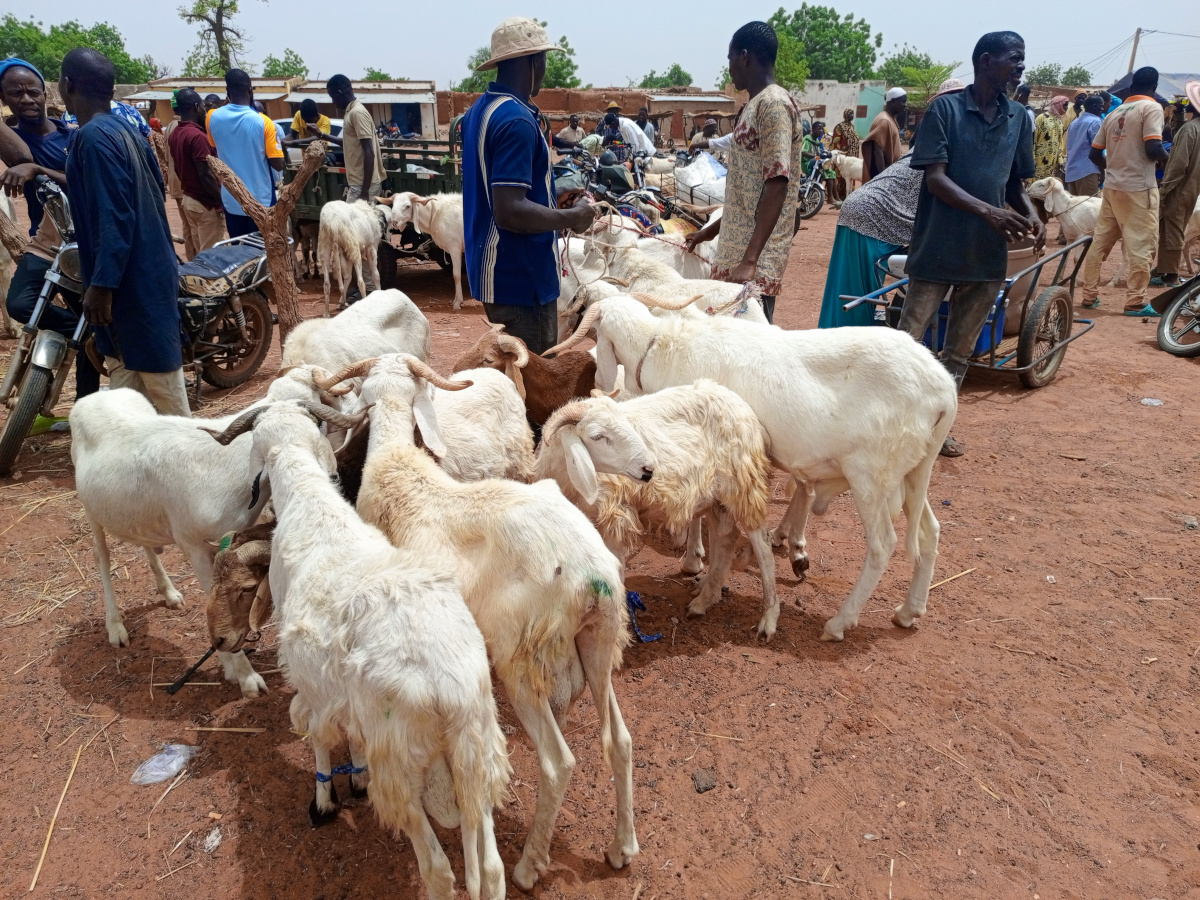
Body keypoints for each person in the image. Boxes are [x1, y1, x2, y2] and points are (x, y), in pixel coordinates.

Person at [900, 30, 1042, 457]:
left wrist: (1031, 214)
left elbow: (1014, 183)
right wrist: (990, 212)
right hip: (938, 245)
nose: (1020, 66)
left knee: (959, 351)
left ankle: (937, 429)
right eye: (1013, 58)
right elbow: (936, 179)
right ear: (985, 60)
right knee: (906, 343)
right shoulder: (945, 110)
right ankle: (892, 424)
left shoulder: (1019, 117)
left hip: (986, 253)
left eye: (1022, 58)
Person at [59, 47, 189, 416]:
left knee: (169, 403)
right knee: (126, 401)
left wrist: (101, 286)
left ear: (67, 85)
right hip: (146, 278)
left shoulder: (92, 139)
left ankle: (198, 453)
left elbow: (114, 217)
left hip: (133, 289)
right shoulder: (128, 132)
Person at [461, 17, 597, 354]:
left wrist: (553, 199)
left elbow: (499, 190)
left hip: (495, 273)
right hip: (521, 278)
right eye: (544, 59)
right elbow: (509, 210)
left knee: (514, 373)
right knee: (534, 377)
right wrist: (573, 217)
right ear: (534, 61)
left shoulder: (481, 109)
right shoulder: (517, 120)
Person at [819, 78, 966, 330]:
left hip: (871, 207)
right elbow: (873, 148)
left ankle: (846, 339)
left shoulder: (939, 135)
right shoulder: (940, 136)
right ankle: (847, 343)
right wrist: (879, 179)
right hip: (872, 213)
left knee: (858, 288)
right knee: (857, 295)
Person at [685, 21, 802, 324]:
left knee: (752, 345)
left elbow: (777, 183)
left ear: (745, 56)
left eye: (730, 58)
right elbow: (748, 197)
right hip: (737, 256)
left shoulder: (773, 104)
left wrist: (749, 261)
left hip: (753, 265)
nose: (729, 68)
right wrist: (709, 231)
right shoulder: (754, 105)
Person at [0, 57, 99, 401]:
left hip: (82, 245)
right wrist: (28, 164)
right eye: (16, 94)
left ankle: (85, 405)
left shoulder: (74, 137)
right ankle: (84, 335)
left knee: (89, 313)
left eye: (33, 91)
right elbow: (20, 157)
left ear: (46, 93)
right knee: (20, 304)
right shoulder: (11, 140)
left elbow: (86, 181)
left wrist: (37, 169)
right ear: (4, 99)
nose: (27, 99)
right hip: (45, 243)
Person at [1079, 66, 1168, 315]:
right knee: (1142, 244)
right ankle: (1135, 301)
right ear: (1154, 87)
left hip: (1112, 187)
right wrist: (1168, 160)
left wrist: (1113, 168)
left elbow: (1094, 153)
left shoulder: (1113, 113)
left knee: (1100, 242)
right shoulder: (1151, 108)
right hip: (1139, 188)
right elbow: (1153, 148)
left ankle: (1089, 295)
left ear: (1131, 87)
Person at [206, 69, 284, 238]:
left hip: (232, 200)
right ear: (250, 90)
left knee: (238, 250)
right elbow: (278, 164)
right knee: (263, 250)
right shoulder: (264, 122)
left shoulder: (212, 117)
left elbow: (214, 146)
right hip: (261, 201)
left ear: (227, 92)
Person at [1151, 84, 1200, 287]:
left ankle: (1170, 274)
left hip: (1179, 187)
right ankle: (1163, 268)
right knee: (1170, 228)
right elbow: (1178, 135)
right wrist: (1178, 115)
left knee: (1173, 229)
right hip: (1192, 187)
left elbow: (1179, 164)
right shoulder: (1192, 127)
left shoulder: (1190, 129)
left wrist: (1165, 189)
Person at [168, 88, 226, 258]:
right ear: (196, 107)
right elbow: (205, 174)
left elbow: (178, 169)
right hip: (204, 203)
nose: (204, 111)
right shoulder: (197, 136)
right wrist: (220, 202)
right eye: (202, 106)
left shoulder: (176, 133)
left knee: (201, 253)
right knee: (212, 258)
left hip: (189, 201)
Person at [322, 74, 385, 205]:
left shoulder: (357, 113)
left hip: (363, 185)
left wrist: (365, 192)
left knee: (351, 219)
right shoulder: (350, 112)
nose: (333, 102)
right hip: (359, 183)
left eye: (333, 97)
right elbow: (347, 144)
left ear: (339, 93)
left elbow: (369, 153)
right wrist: (321, 135)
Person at [1064, 94, 1105, 196]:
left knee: (1076, 205)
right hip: (1087, 171)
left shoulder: (1074, 123)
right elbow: (1096, 150)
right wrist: (1102, 170)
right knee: (1089, 204)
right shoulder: (1096, 122)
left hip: (1072, 172)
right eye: (1101, 106)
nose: (1102, 109)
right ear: (1094, 106)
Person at [862, 87, 906, 181]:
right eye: (903, 101)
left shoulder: (890, 119)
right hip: (882, 179)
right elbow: (877, 151)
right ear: (893, 101)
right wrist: (882, 179)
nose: (904, 105)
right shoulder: (884, 120)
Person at [1033, 95, 1069, 180]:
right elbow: (1033, 139)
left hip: (1053, 161)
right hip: (1039, 159)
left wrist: (1060, 159)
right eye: (1065, 105)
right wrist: (1032, 157)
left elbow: (1060, 142)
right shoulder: (1042, 118)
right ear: (1058, 105)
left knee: (1049, 183)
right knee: (1036, 183)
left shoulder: (1059, 121)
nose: (1067, 108)